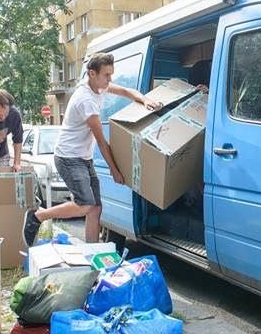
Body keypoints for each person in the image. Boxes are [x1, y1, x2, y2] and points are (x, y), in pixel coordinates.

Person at [21, 52, 162, 245]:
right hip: (68, 157)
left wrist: (145, 100)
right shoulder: (84, 100)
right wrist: (114, 170)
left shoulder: (99, 87)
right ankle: (38, 216)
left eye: (111, 75)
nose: (109, 79)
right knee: (85, 205)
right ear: (92, 73)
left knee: (95, 208)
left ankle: (92, 254)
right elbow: (102, 141)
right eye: (106, 75)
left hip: (83, 158)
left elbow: (127, 92)